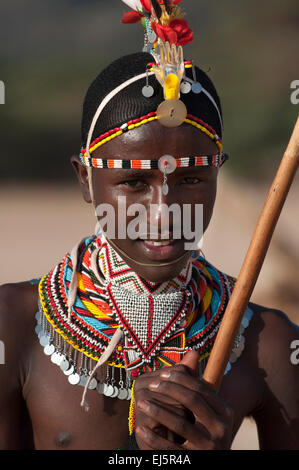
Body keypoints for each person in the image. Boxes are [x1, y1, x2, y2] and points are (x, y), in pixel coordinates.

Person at [0, 0, 298, 451]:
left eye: (192, 178)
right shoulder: (14, 327)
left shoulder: (270, 345)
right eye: (135, 181)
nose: (164, 211)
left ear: (219, 174)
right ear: (86, 178)